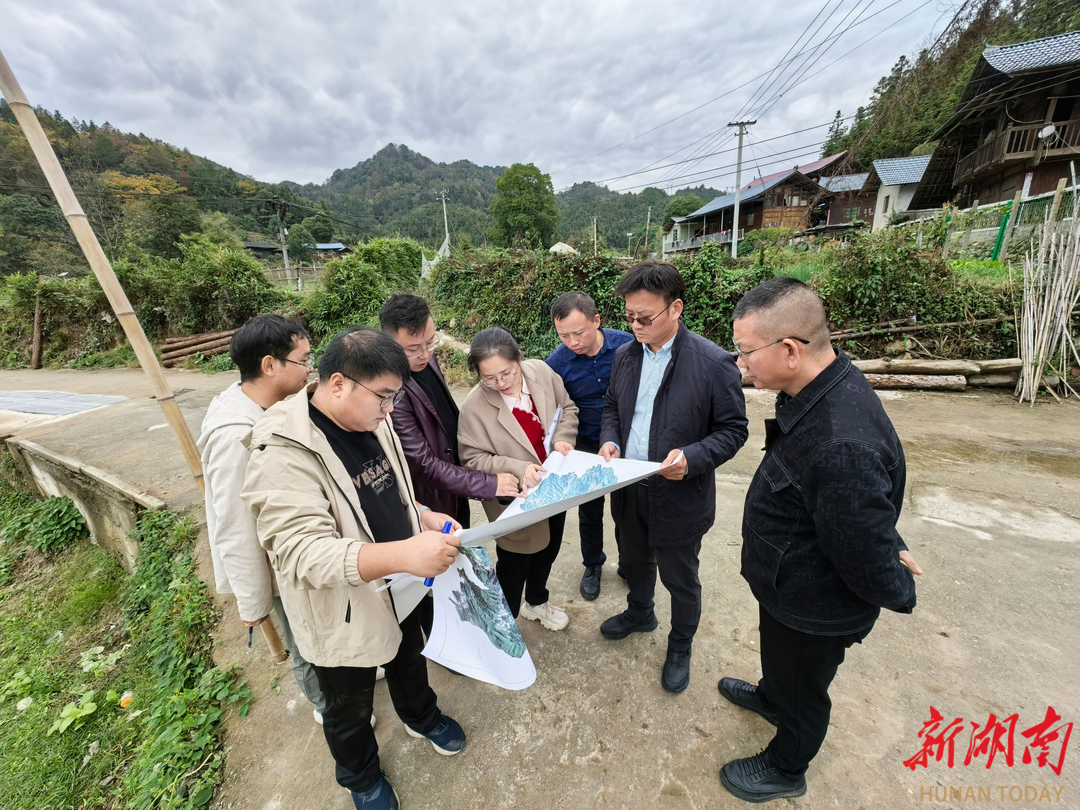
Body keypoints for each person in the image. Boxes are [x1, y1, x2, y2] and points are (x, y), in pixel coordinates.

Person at [242, 326, 467, 810]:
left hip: (401, 584)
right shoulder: (282, 449)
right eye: (384, 397)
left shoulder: (373, 419)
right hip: (342, 605)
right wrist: (404, 554)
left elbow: (389, 491)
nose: (390, 409)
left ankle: (421, 716)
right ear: (339, 383)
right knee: (348, 702)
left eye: (395, 397)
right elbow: (301, 552)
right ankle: (360, 776)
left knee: (410, 658)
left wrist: (422, 515)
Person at [717, 277, 922, 803]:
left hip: (814, 603)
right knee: (782, 663)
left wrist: (897, 582)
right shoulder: (818, 386)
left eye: (746, 352)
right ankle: (772, 696)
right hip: (787, 582)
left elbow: (863, 550)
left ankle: (787, 767)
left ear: (790, 350)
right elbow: (852, 506)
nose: (740, 364)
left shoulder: (840, 441)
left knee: (804, 687)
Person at [598, 262, 748, 694]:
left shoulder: (712, 362)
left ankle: (680, 644)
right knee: (633, 561)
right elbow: (612, 407)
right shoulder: (625, 355)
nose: (635, 326)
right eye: (629, 316)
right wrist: (610, 440)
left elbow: (733, 430)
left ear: (676, 308)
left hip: (680, 494)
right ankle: (640, 612)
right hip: (629, 487)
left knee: (681, 578)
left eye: (645, 317)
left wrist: (693, 457)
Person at [197, 314, 330, 723]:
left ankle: (345, 675)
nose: (310, 368)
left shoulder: (276, 403)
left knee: (326, 623)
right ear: (270, 365)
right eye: (304, 360)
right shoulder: (234, 435)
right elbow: (234, 525)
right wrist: (253, 600)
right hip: (279, 563)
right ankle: (328, 708)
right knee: (304, 636)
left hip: (308, 542)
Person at [379, 294, 523, 640]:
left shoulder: (427, 362)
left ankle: (461, 629)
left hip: (452, 490)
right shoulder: (391, 389)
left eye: (430, 342)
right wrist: (488, 483)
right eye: (413, 348)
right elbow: (422, 464)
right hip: (427, 500)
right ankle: (442, 640)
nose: (425, 354)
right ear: (389, 342)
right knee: (429, 579)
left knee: (455, 561)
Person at [458, 327, 579, 630]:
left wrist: (563, 439)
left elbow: (567, 409)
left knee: (549, 549)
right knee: (514, 564)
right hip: (516, 500)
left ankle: (536, 602)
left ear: (519, 359)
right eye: (489, 378)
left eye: (507, 373)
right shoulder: (474, 407)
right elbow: (472, 459)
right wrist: (519, 468)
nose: (500, 383)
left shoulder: (541, 372)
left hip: (554, 485)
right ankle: (504, 624)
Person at [545, 291, 634, 601]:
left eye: (579, 332)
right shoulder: (557, 363)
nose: (573, 342)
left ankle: (629, 563)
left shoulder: (627, 346)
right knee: (590, 510)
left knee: (628, 509)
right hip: (583, 444)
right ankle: (593, 564)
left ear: (597, 320)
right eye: (564, 335)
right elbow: (553, 409)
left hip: (624, 441)